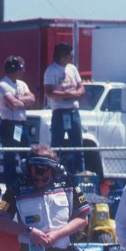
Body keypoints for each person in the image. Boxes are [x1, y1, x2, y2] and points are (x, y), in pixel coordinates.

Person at [44, 43, 86, 175]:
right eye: (70, 55)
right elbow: (49, 93)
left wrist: (77, 93)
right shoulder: (51, 71)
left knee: (78, 146)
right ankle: (54, 175)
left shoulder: (72, 69)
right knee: (56, 147)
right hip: (59, 112)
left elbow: (81, 87)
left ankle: (79, 175)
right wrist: (69, 94)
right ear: (62, 57)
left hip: (73, 112)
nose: (72, 57)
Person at [0, 55, 36, 187]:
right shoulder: (2, 85)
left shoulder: (22, 84)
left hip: (20, 125)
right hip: (9, 124)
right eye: (22, 68)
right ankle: (10, 186)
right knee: (10, 157)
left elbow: (32, 99)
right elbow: (12, 103)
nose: (24, 71)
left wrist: (19, 100)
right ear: (14, 69)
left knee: (27, 154)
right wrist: (20, 100)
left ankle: (28, 181)